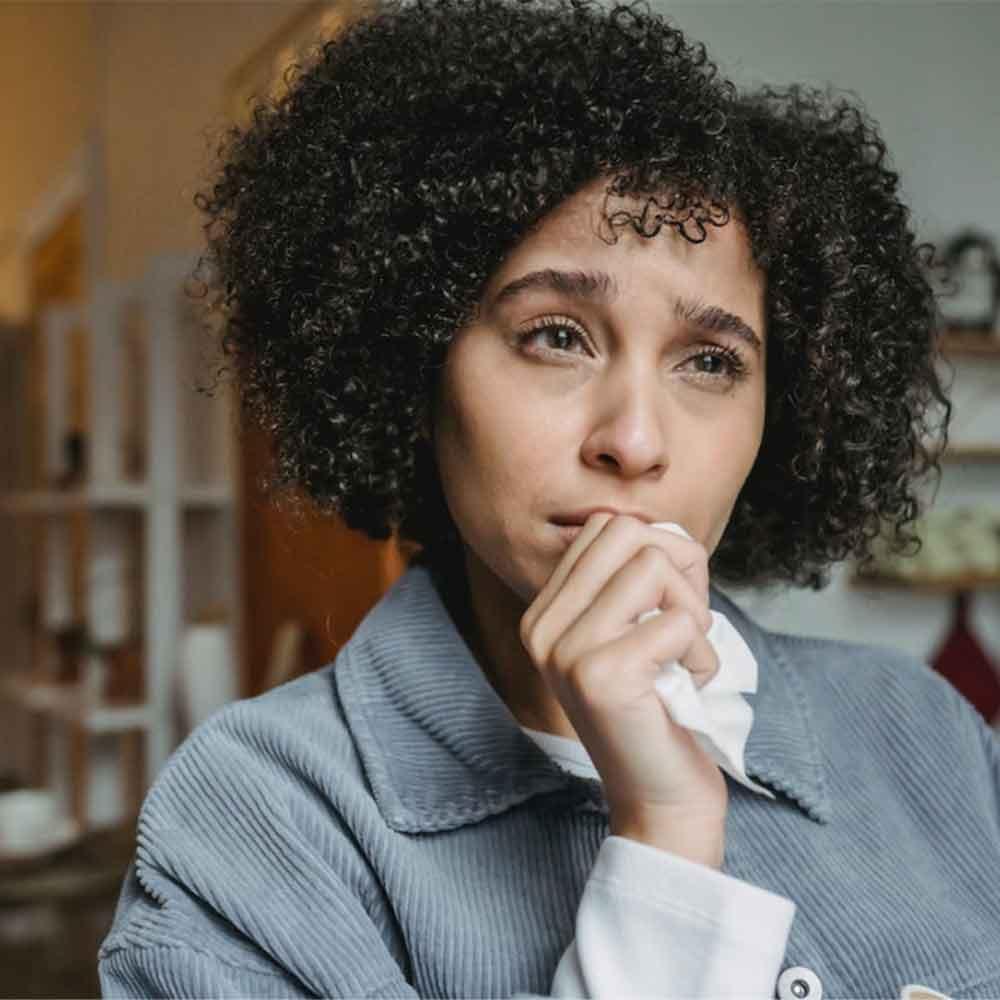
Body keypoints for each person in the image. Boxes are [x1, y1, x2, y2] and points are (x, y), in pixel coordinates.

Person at [98, 0, 1000, 997]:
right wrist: (664, 839)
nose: (635, 441)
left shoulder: (926, 733)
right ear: (415, 366)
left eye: (709, 360)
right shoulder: (250, 826)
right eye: (557, 337)